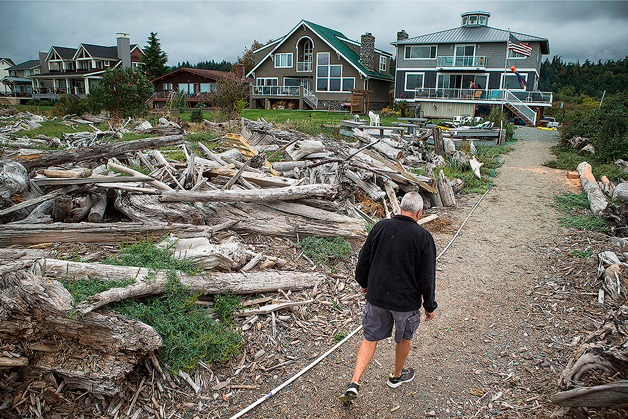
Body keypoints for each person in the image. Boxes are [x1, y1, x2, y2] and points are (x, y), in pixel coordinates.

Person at [340, 192, 437, 404]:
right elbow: (427, 277)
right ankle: (396, 376)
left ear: (400, 207)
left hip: (377, 298)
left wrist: (364, 283)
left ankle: (354, 382)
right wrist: (429, 305)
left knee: (370, 338)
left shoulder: (380, 227)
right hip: (405, 303)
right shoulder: (423, 238)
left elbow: (363, 259)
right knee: (404, 338)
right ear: (419, 213)